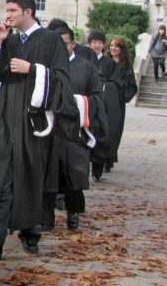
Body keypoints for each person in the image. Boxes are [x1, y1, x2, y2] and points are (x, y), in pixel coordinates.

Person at [0, 0, 68, 259]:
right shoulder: (8, 39)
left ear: (28, 12)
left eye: (12, 10)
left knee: (28, 177)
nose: (7, 15)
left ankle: (31, 232)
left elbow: (63, 80)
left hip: (31, 122)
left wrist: (32, 69)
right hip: (5, 118)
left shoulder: (50, 40)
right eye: (6, 10)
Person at [43, 26, 106, 229]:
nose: (63, 47)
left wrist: (80, 103)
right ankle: (45, 217)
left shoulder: (86, 67)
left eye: (66, 43)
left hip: (75, 128)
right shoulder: (46, 68)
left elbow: (97, 96)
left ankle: (73, 213)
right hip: (51, 127)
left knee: (73, 174)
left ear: (73, 44)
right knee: (48, 173)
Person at [91, 36, 136, 180]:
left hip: (116, 102)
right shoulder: (104, 61)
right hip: (100, 100)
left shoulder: (124, 65)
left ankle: (108, 158)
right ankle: (102, 159)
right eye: (112, 45)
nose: (113, 48)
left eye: (117, 46)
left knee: (113, 131)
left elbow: (130, 85)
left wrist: (119, 95)